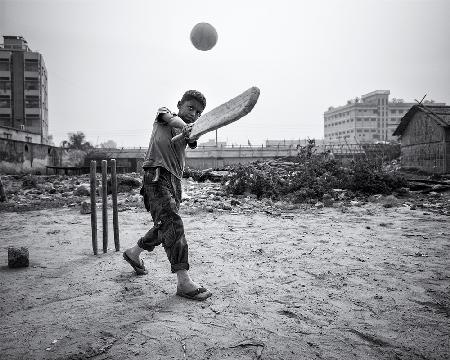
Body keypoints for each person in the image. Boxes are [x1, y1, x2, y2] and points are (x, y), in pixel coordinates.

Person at [123, 90, 212, 301]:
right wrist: (185, 126)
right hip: (156, 175)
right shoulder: (165, 115)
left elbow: (192, 140)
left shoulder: (190, 130)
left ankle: (133, 253)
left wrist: (194, 131)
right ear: (179, 104)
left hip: (174, 181)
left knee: (164, 225)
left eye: (198, 113)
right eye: (190, 108)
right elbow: (171, 119)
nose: (194, 114)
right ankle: (184, 281)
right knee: (172, 223)